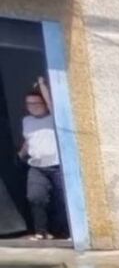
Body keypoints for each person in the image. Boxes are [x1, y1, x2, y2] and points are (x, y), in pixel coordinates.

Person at [20, 78, 66, 240]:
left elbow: (52, 104)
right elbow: (30, 139)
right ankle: (42, 231)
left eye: (37, 104)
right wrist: (22, 153)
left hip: (56, 165)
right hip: (37, 167)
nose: (33, 107)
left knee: (62, 199)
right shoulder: (26, 121)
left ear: (45, 104)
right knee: (35, 197)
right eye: (29, 104)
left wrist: (42, 86)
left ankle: (65, 231)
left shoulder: (54, 117)